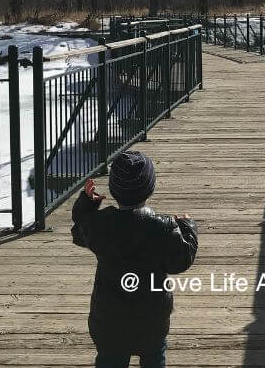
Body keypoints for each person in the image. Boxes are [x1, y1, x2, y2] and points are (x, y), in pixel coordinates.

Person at [71, 150, 199, 368]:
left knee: (109, 360)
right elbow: (181, 261)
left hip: (108, 320)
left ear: (114, 189)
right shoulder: (164, 227)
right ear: (149, 188)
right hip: (152, 320)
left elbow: (80, 231)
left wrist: (87, 204)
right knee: (154, 359)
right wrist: (188, 227)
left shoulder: (100, 225)